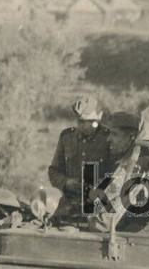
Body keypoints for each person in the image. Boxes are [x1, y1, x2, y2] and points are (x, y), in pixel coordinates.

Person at [47, 94, 110, 223]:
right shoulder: (67, 138)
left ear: (100, 116)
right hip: (69, 205)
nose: (86, 126)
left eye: (92, 122)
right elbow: (53, 171)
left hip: (98, 210)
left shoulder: (108, 139)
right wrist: (66, 182)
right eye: (81, 122)